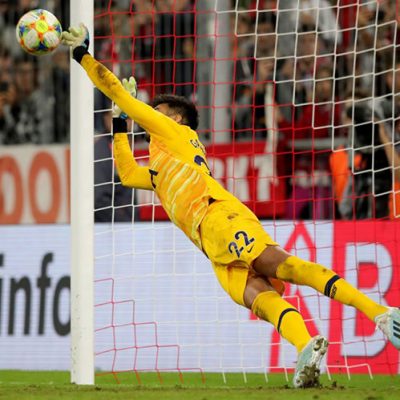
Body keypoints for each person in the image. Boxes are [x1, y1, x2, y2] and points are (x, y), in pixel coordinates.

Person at [62, 24, 400, 388]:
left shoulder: (176, 134)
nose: (150, 117)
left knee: (287, 267)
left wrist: (83, 56)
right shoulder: (162, 167)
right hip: (212, 244)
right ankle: (306, 346)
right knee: (258, 297)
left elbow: (119, 93)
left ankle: (380, 313)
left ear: (175, 118)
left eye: (157, 111)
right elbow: (128, 174)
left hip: (221, 217)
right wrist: (120, 124)